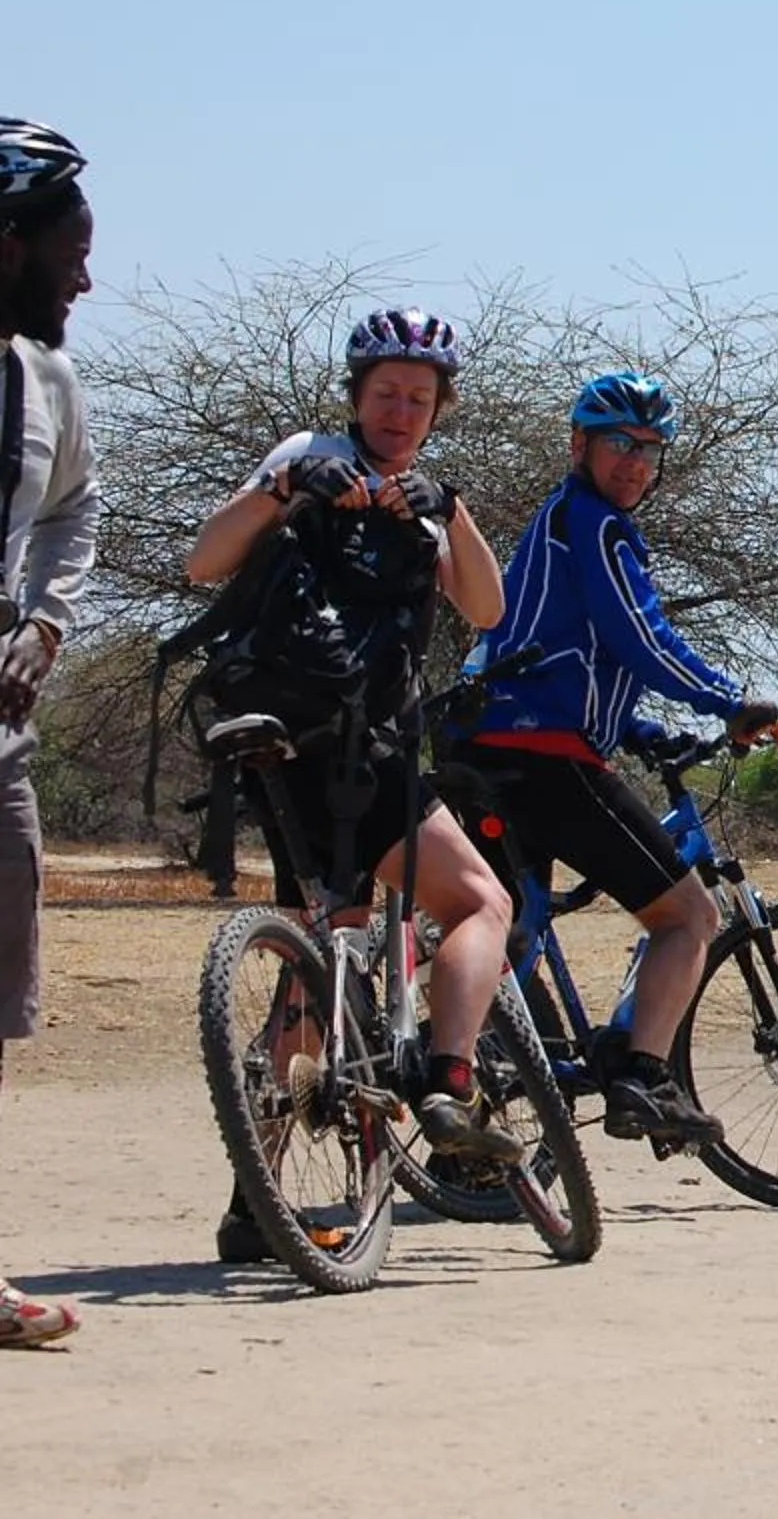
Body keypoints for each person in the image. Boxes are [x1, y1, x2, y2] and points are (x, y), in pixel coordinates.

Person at [185, 305, 521, 1266]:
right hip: (348, 747)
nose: (401, 411)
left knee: (318, 960)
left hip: (295, 751)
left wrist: (443, 506)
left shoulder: (422, 492)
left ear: (440, 407)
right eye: (386, 394)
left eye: (420, 398)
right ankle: (447, 1081)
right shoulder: (308, 456)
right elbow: (205, 560)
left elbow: (484, 606)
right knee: (480, 900)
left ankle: (257, 1199)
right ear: (356, 392)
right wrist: (287, 487)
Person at [445, 370, 778, 1149]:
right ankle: (644, 1080)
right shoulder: (597, 527)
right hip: (542, 758)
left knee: (508, 931)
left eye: (650, 450)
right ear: (579, 446)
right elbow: (640, 637)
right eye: (619, 444)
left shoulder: (557, 521)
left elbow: (561, 652)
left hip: (483, 745)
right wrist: (730, 700)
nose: (634, 462)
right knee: (689, 916)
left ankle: (466, 1133)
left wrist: (634, 729)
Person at [0, 119, 99, 1348]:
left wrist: (48, 626)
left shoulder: (44, 385)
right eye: (71, 249)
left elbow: (76, 509)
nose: (86, 275)